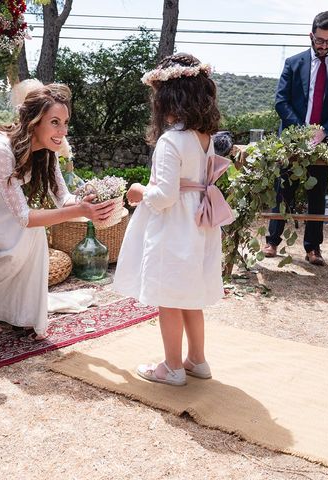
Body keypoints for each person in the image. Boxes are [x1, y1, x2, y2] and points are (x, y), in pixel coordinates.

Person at [0, 80, 114, 339]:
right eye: (54, 122)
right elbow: (25, 217)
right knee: (18, 233)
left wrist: (93, 203)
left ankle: (22, 312)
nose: (62, 131)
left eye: (65, 123)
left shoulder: (46, 151)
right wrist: (80, 211)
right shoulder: (0, 149)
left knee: (33, 235)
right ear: (34, 121)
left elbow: (64, 199)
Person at [113, 53, 234, 386]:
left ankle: (171, 367)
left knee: (168, 298)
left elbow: (165, 195)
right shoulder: (204, 138)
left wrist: (138, 191)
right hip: (198, 222)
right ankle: (197, 360)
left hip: (175, 226)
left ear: (167, 98)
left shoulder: (171, 141)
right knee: (190, 297)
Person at [263, 11, 328, 266]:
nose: (324, 46)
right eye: (320, 40)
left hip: (323, 141)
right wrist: (302, 132)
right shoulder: (294, 63)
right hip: (293, 138)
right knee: (283, 191)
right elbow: (281, 102)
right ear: (311, 36)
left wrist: (324, 130)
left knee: (317, 193)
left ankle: (313, 248)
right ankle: (272, 241)